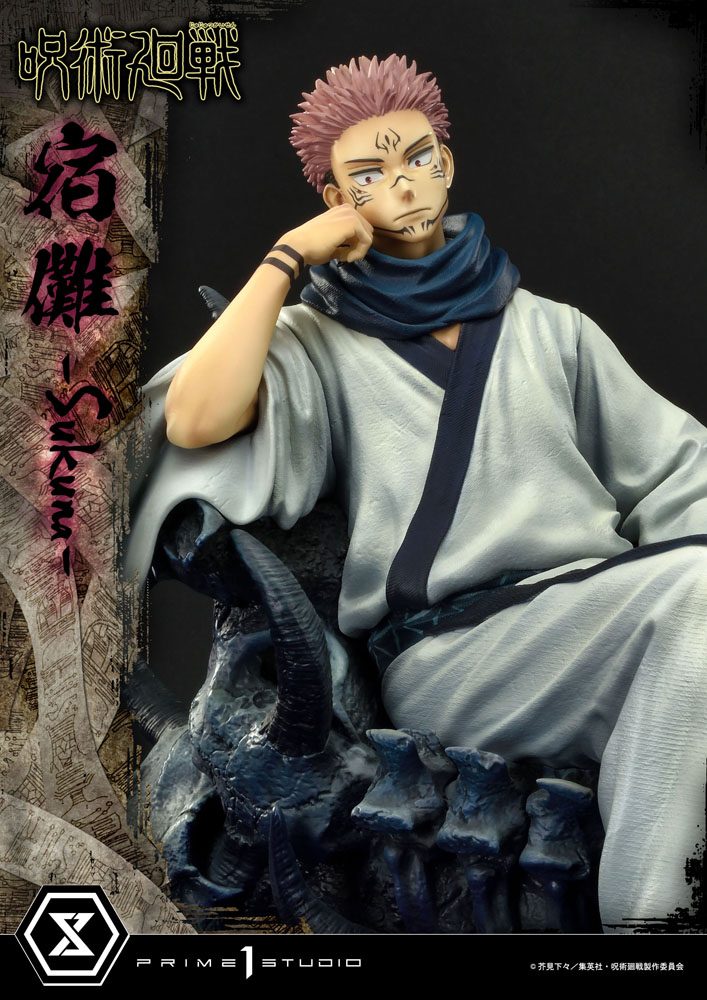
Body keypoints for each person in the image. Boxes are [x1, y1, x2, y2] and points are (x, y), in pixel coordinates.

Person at [125, 54, 707, 933]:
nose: (401, 184)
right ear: (335, 199)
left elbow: (678, 474)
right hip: (457, 655)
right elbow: (197, 418)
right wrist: (286, 259)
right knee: (694, 595)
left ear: (447, 160)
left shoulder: (552, 330)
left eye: (417, 157)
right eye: (367, 174)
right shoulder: (315, 344)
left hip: (605, 619)